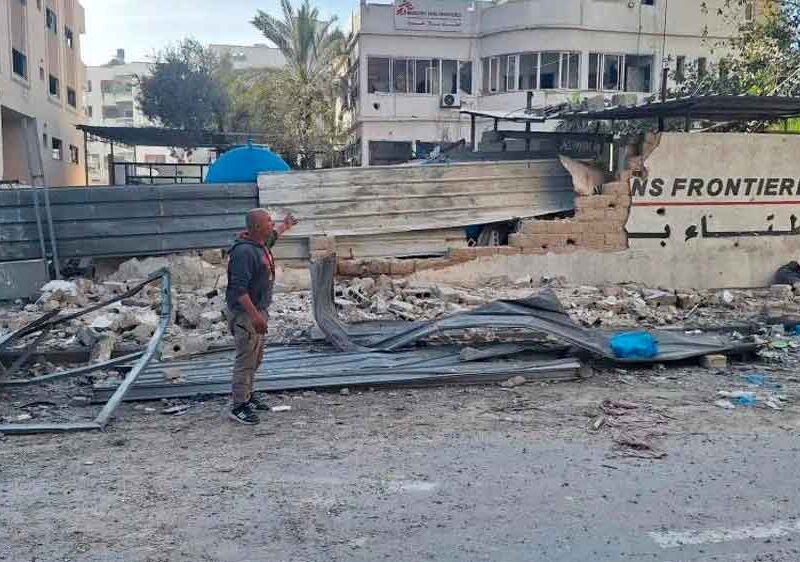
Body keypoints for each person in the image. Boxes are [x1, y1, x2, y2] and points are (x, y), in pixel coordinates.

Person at [226, 208, 298, 425]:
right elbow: (238, 289)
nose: (272, 224)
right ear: (257, 227)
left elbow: (272, 238)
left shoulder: (260, 245)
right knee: (246, 359)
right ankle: (239, 405)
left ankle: (248, 394)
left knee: (256, 357)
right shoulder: (244, 253)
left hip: (258, 310)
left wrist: (286, 225)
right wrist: (255, 316)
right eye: (269, 221)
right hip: (247, 314)